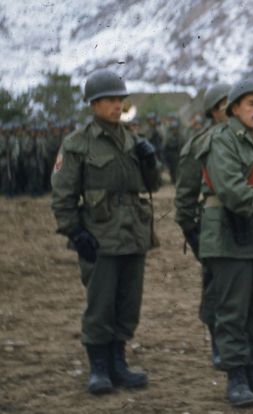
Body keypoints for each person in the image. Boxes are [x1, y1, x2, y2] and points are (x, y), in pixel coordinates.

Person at [51, 69, 160, 395]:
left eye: (120, 99)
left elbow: (151, 186)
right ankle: (98, 367)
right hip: (99, 235)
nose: (117, 105)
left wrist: (151, 162)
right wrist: (74, 232)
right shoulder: (77, 143)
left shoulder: (133, 140)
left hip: (133, 233)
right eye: (111, 100)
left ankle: (118, 363)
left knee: (128, 302)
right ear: (94, 104)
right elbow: (63, 194)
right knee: (101, 304)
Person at [196, 79, 253, 407]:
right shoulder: (221, 140)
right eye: (251, 103)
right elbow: (232, 189)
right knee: (232, 309)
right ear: (234, 108)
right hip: (227, 235)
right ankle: (236, 378)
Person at [174, 82, 231, 368]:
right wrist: (193, 234)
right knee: (214, 289)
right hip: (215, 229)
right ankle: (219, 344)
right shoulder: (199, 144)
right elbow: (184, 196)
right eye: (223, 105)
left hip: (248, 229)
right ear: (213, 111)